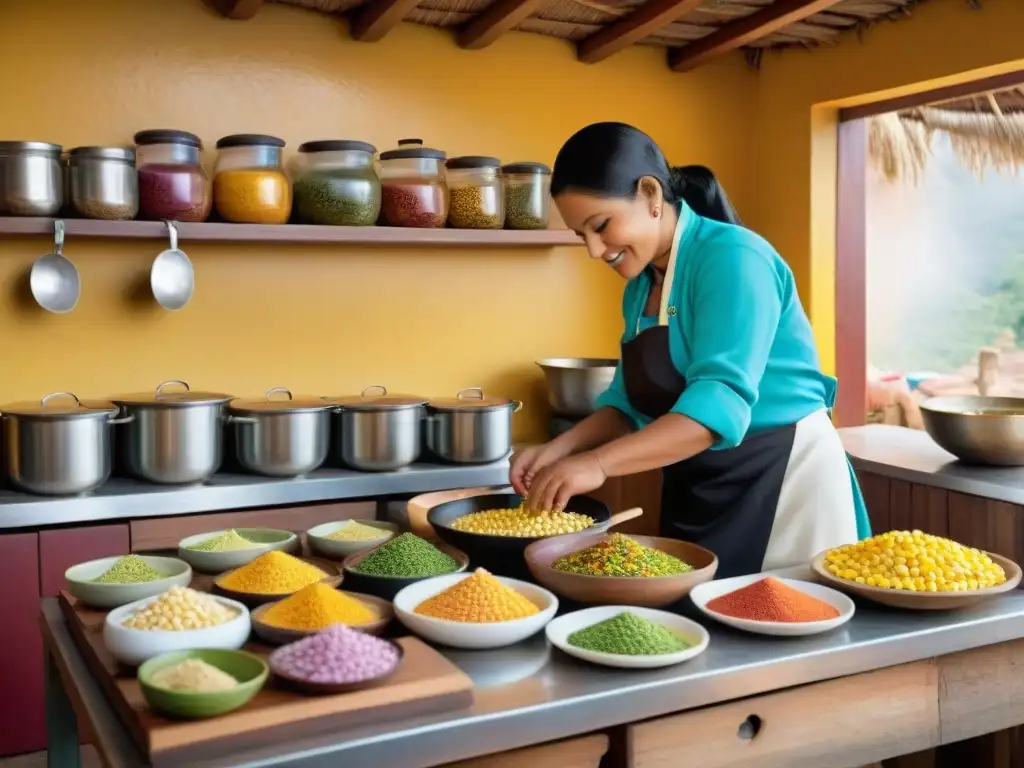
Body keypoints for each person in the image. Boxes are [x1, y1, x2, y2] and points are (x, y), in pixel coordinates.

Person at [510, 122, 870, 578]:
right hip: (699, 481)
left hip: (782, 480)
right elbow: (627, 403)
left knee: (772, 630)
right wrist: (558, 451)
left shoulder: (734, 259)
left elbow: (717, 406)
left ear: (650, 193)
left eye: (600, 226)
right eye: (582, 235)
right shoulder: (642, 286)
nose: (594, 250)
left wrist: (598, 464)